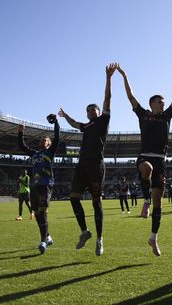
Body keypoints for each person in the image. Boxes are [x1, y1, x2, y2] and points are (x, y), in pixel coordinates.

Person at [117, 62, 172, 256]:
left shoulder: (167, 117)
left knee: (158, 205)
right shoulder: (143, 115)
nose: (163, 104)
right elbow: (130, 96)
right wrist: (123, 74)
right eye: (160, 102)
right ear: (152, 103)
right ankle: (145, 199)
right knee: (146, 169)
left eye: (164, 102)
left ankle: (153, 238)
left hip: (161, 160)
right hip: (145, 157)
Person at [58, 64, 115, 256]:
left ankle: (100, 239)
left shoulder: (103, 121)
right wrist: (65, 116)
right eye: (89, 110)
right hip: (81, 166)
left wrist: (108, 79)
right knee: (73, 199)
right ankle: (85, 232)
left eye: (94, 109)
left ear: (99, 112)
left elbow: (107, 99)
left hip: (96, 166)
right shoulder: (87, 126)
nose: (91, 111)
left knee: (96, 202)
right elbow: (75, 124)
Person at [18, 114, 59, 254]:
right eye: (41, 139)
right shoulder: (35, 154)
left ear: (49, 144)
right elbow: (22, 146)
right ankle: (47, 237)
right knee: (36, 213)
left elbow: (57, 137)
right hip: (34, 187)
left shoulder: (50, 152)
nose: (43, 140)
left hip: (46, 185)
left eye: (45, 139)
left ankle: (43, 241)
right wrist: (20, 132)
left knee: (42, 211)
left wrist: (56, 123)